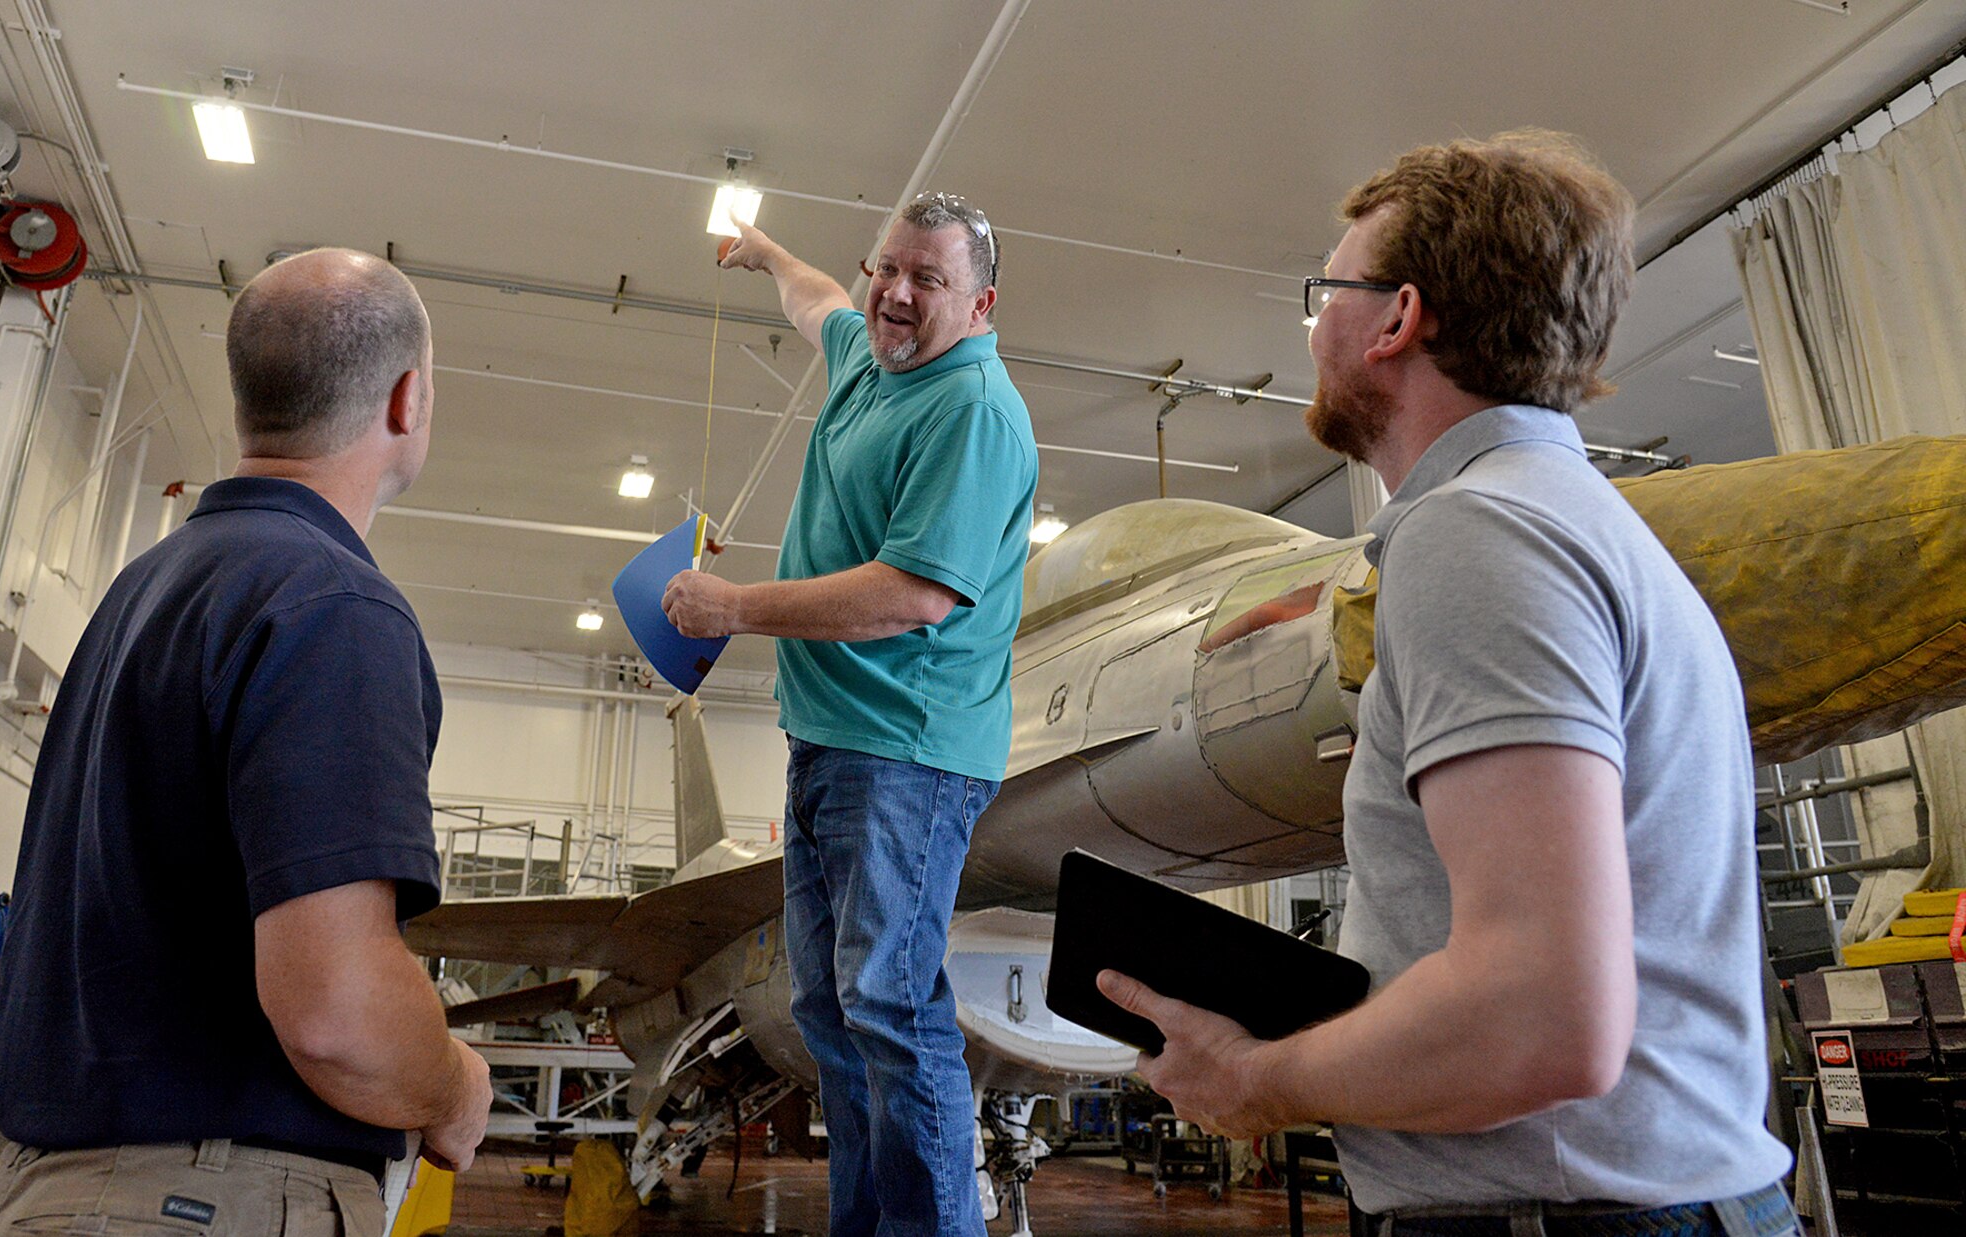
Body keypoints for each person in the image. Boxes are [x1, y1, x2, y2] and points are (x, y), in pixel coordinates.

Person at [1099, 132, 1799, 1236]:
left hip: (1568, 1213)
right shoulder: (1577, 522)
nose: (1315, 326)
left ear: (1395, 319)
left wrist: (1258, 1077)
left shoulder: (1476, 536)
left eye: (1324, 293)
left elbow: (1538, 1014)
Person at [0, 249, 491, 1237]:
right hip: (202, 1200)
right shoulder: (332, 603)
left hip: (45, 1189)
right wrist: (454, 1084)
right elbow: (335, 1012)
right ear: (408, 399)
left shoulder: (146, 591)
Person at [663, 193, 1036, 1236]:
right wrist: (762, 250)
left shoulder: (971, 411)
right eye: (887, 268)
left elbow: (913, 593)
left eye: (928, 280)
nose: (895, 293)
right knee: (830, 1010)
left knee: (886, 1001)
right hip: (828, 744)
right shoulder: (871, 354)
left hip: (906, 753)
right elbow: (814, 298)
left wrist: (736, 608)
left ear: (981, 303)